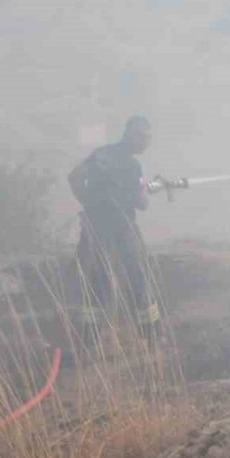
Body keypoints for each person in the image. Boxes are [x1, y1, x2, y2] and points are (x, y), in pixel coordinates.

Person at [68, 116, 160, 338]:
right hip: (122, 227)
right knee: (138, 276)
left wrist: (88, 202)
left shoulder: (101, 154)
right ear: (131, 134)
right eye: (144, 137)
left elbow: (74, 177)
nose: (146, 142)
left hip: (95, 226)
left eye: (149, 138)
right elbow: (142, 203)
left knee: (98, 278)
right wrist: (149, 190)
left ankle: (89, 340)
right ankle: (151, 335)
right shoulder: (131, 164)